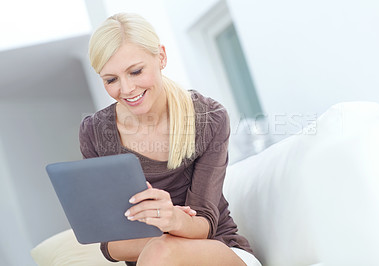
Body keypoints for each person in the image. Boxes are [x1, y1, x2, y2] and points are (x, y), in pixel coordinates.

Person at [79, 12, 261, 266]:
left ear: (161, 57)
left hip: (219, 251)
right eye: (111, 79)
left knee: (160, 252)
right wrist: (165, 230)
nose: (127, 89)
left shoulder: (208, 118)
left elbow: (206, 225)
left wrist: (172, 219)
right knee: (159, 250)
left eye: (136, 71)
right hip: (154, 260)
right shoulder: (95, 133)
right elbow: (112, 246)